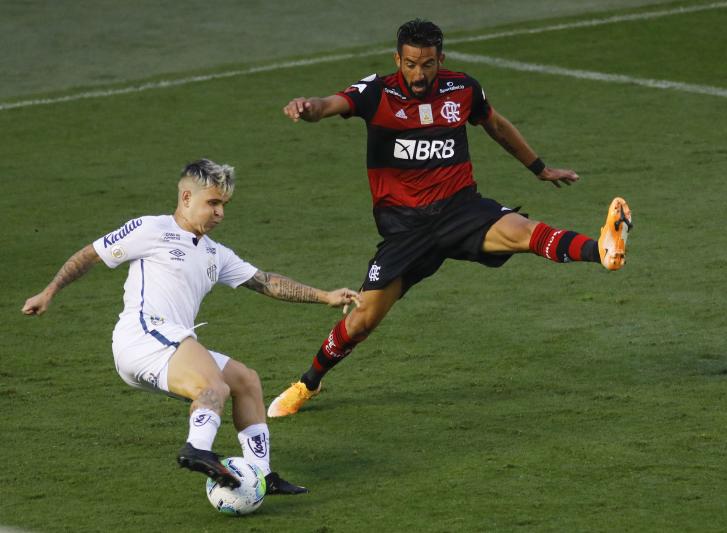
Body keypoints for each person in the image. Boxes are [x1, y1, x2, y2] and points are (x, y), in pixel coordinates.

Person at [268, 19, 632, 418]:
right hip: (406, 230)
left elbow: (494, 124)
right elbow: (329, 105)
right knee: (361, 322)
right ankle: (309, 382)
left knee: (523, 233)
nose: (418, 74)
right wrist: (308, 109)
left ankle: (602, 250)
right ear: (398, 59)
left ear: (440, 58)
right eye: (410, 64)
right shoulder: (377, 92)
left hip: (460, 209)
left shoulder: (463, 89)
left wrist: (539, 168)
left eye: (427, 64)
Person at [22, 159, 361, 493]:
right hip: (142, 336)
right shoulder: (152, 229)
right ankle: (196, 448)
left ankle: (261, 475)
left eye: (224, 205)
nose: (220, 214)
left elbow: (266, 282)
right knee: (214, 386)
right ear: (186, 198)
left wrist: (324, 296)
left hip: (168, 347)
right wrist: (49, 291)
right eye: (212, 203)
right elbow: (90, 254)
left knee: (245, 381)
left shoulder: (215, 253)